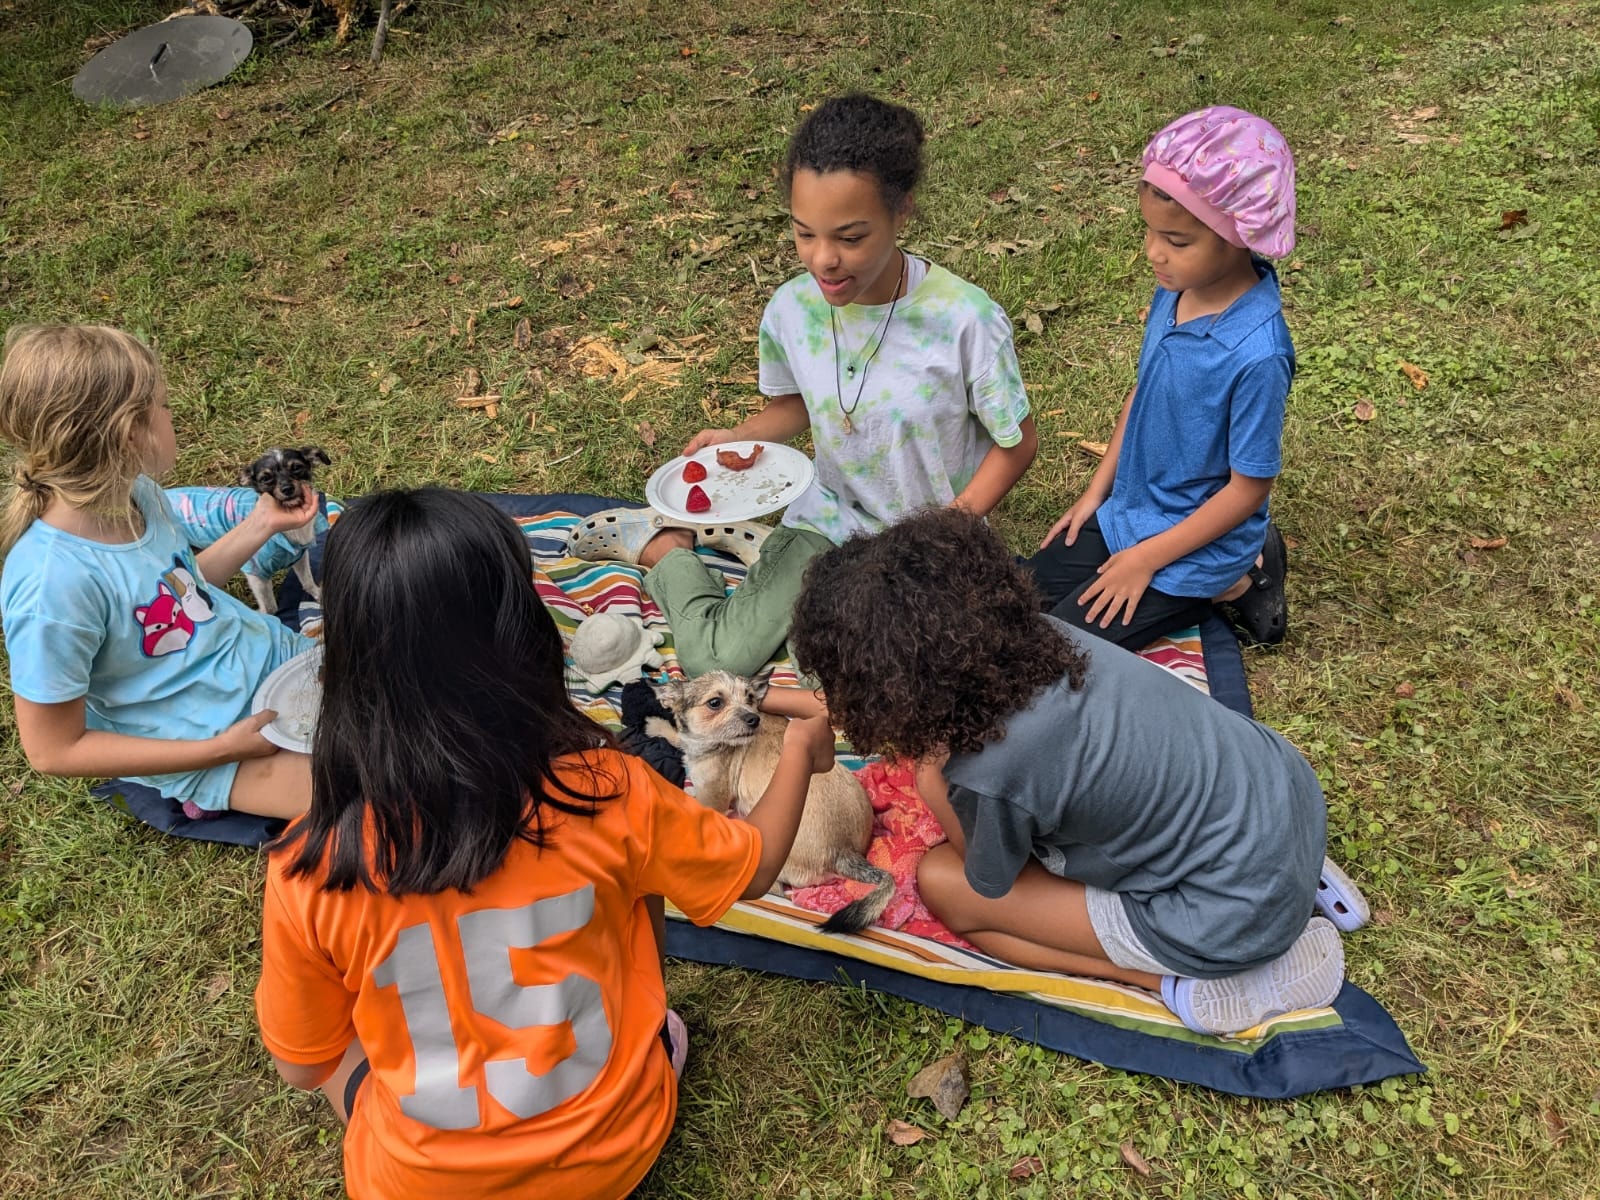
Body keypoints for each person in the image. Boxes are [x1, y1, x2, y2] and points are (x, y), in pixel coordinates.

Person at [254, 488, 838, 1199]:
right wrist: (801, 750)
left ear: (343, 667)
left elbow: (302, 1063)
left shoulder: (306, 866)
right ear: (526, 633)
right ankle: (651, 1038)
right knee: (641, 887)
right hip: (613, 1154)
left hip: (416, 1184)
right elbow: (750, 869)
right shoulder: (610, 791)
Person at [789, 508, 1349, 1036]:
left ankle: (1170, 984)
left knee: (944, 886)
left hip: (1232, 912)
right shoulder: (1042, 636)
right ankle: (1290, 878)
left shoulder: (986, 767)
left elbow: (990, 877)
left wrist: (930, 780)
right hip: (1285, 795)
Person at [567, 93, 1037, 676]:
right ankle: (666, 549)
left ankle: (756, 552)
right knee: (720, 658)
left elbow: (1017, 444)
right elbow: (797, 406)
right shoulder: (792, 310)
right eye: (804, 234)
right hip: (828, 522)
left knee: (888, 678)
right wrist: (737, 436)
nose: (823, 260)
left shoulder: (964, 320)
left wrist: (951, 526)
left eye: (850, 236)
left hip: (929, 547)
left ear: (902, 211)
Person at [0, 324, 317, 820]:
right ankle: (201, 791)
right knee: (394, 801)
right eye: (165, 407)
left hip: (275, 660)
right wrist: (220, 751)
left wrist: (261, 524)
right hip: (211, 739)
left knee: (429, 709)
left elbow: (185, 593)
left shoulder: (139, 494)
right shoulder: (52, 586)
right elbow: (52, 750)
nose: (174, 417)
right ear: (131, 432)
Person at [1026, 105, 1297, 649]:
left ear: (1239, 233)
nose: (1154, 253)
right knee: (1020, 595)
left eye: (1176, 242)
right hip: (1132, 512)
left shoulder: (1257, 355)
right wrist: (1095, 495)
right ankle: (1240, 562)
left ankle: (1237, 578)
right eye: (1150, 232)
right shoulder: (1174, 292)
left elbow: (1248, 489)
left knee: (1057, 650)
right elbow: (1143, 391)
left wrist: (1145, 560)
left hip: (1190, 551)